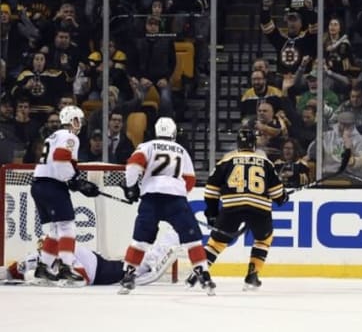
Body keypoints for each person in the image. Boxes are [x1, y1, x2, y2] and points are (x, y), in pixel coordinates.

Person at [119, 117, 215, 295]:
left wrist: (131, 186)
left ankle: (128, 274)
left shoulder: (147, 146)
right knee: (192, 240)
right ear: (173, 133)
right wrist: (178, 191)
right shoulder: (181, 150)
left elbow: (133, 164)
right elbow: (190, 179)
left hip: (151, 198)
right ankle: (204, 275)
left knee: (140, 240)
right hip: (176, 200)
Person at [190, 128, 288, 291]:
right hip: (259, 208)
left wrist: (212, 213)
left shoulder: (226, 160)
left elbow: (211, 190)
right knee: (264, 239)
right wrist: (283, 197)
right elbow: (277, 194)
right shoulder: (265, 162)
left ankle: (197, 273)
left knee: (217, 242)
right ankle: (252, 276)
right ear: (254, 144)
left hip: (231, 207)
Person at [30, 105, 100, 285]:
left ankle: (44, 267)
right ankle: (66, 267)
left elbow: (59, 162)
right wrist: (75, 180)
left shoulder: (52, 136)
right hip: (52, 185)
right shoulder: (69, 137)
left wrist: (75, 180)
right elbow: (62, 159)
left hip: (39, 185)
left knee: (55, 229)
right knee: (67, 225)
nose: (81, 125)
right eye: (79, 120)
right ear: (73, 120)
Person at [0, 231, 181, 287]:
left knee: (134, 267)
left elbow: (81, 279)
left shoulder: (66, 254)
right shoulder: (37, 257)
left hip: (100, 271)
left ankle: (165, 244)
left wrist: (48, 281)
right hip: (95, 263)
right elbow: (11, 270)